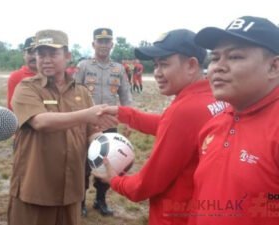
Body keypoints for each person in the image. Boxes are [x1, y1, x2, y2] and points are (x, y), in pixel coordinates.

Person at [94, 29, 227, 225]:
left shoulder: (184, 110)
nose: (157, 73)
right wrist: (123, 113)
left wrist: (115, 179)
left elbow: (145, 185)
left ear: (191, 65)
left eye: (164, 64)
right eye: (155, 65)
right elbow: (171, 127)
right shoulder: (214, 97)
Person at [8, 29, 117, 225]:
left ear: (67, 56)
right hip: (36, 187)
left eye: (53, 54)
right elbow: (40, 122)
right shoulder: (26, 88)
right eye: (41, 54)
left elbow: (91, 132)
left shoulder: (81, 92)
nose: (46, 59)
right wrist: (86, 114)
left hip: (71, 189)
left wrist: (109, 149)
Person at [189, 16, 279, 225]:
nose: (218, 67)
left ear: (274, 67)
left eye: (235, 57)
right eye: (214, 58)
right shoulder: (214, 125)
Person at [74, 27, 132, 216]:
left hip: (109, 125)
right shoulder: (83, 66)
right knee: (82, 164)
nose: (104, 45)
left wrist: (129, 120)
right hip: (85, 124)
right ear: (93, 44)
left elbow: (126, 95)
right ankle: (80, 201)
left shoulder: (119, 69)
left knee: (107, 162)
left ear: (112, 45)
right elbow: (73, 92)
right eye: (100, 41)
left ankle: (100, 200)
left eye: (107, 42)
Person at [7, 36, 37, 110]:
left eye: (38, 53)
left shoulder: (51, 75)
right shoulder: (16, 77)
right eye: (30, 52)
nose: (34, 56)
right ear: (24, 54)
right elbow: (11, 106)